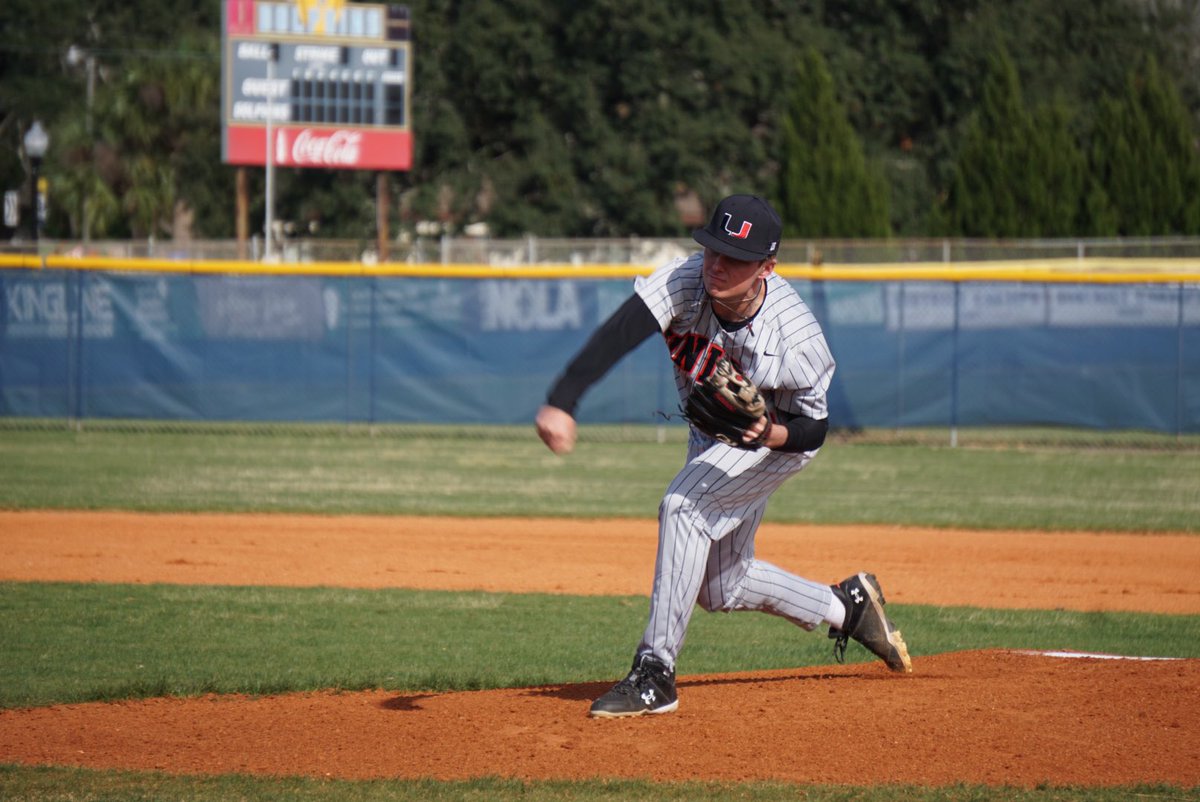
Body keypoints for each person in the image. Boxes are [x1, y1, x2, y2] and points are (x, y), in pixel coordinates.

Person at [535, 194, 911, 718]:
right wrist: (563, 398)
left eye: (735, 258)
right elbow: (622, 330)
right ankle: (845, 608)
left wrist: (769, 433)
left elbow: (814, 428)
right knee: (719, 585)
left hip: (774, 440)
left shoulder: (794, 336)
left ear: (766, 268)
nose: (717, 264)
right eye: (713, 249)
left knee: (683, 507)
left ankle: (655, 672)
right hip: (711, 434)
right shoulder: (686, 280)